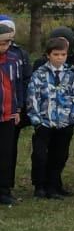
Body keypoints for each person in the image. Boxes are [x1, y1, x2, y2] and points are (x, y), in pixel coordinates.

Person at [27, 36, 74, 199]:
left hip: (64, 123)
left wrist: (72, 117)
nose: (59, 58)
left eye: (63, 55)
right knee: (40, 156)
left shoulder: (70, 75)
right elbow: (32, 97)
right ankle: (39, 186)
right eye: (56, 54)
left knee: (60, 155)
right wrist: (36, 120)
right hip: (44, 122)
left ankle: (53, 185)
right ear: (48, 55)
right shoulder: (39, 74)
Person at [0, 17, 31, 206]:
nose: (5, 47)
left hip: (9, 114)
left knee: (6, 153)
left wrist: (18, 108)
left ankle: (4, 190)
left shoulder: (14, 59)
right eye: (2, 43)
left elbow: (18, 84)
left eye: (7, 43)